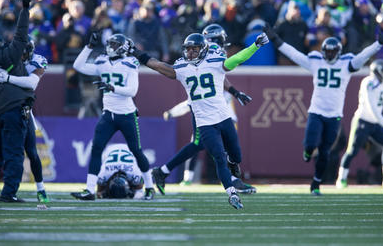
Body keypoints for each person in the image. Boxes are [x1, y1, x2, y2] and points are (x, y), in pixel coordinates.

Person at [131, 30, 269, 209]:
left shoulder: (215, 62)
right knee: (219, 157)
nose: (190, 53)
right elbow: (157, 65)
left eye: (194, 50)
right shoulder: (181, 68)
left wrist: (255, 46)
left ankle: (230, 167)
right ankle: (231, 193)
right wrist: (136, 52)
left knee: (236, 155)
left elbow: (236, 60)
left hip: (223, 117)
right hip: (204, 122)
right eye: (188, 50)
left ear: (203, 49)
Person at [265, 24, 383, 195]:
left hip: (334, 115)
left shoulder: (346, 63)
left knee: (325, 151)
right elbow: (294, 54)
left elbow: (363, 55)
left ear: (338, 52)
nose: (330, 55)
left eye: (333, 52)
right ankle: (308, 150)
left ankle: (316, 183)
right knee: (311, 144)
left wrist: (379, 44)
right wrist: (276, 40)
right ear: (323, 51)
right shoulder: (315, 61)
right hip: (316, 111)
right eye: (328, 51)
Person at [152, 24, 256, 195]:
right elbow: (213, 73)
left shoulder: (206, 52)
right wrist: (235, 92)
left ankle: (163, 171)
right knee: (201, 143)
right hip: (202, 108)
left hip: (209, 105)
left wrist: (235, 92)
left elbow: (217, 76)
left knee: (200, 144)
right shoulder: (209, 51)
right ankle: (230, 180)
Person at [70, 33, 155, 201]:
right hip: (108, 114)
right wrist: (89, 47)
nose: (110, 47)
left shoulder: (130, 63)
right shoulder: (102, 62)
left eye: (114, 45)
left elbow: (132, 91)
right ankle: (89, 190)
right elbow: (78, 65)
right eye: (110, 44)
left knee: (136, 151)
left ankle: (150, 188)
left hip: (127, 114)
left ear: (123, 48)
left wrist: (112, 87)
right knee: (96, 149)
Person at [0, 36, 50, 202]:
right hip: (5, 106)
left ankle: (41, 190)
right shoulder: (7, 56)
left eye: (24, 52)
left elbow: (32, 83)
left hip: (22, 108)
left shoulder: (37, 61)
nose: (21, 55)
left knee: (32, 152)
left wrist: (8, 78)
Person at [0, 0, 34, 203]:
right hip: (14, 109)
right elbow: (21, 34)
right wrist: (25, 10)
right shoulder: (10, 54)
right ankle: (9, 192)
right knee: (14, 153)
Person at [335, 59, 383, 188]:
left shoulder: (382, 83)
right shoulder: (369, 82)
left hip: (374, 122)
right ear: (377, 71)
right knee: (352, 151)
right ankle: (341, 179)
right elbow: (371, 106)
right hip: (363, 121)